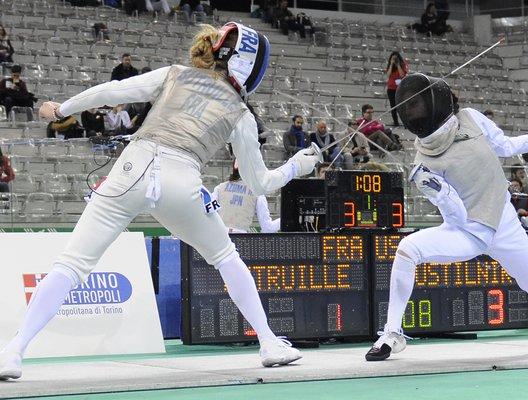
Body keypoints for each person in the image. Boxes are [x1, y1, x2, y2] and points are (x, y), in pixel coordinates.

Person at [0, 22, 320, 380]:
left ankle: (14, 351)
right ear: (250, 67)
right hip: (181, 184)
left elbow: (114, 90)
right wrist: (297, 165)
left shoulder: (175, 74)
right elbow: (260, 183)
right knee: (226, 257)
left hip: (130, 170)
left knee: (72, 264)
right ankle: (268, 342)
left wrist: (63, 110)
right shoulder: (242, 115)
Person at [365, 73, 528, 362]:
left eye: (419, 103)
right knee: (407, 250)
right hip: (465, 232)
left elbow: (505, 146)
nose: (415, 109)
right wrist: (442, 192)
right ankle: (391, 333)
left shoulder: (470, 118)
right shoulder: (423, 168)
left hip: (504, 222)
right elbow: (456, 215)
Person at [212, 159, 280, 233]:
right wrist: (288, 218)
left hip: (220, 239)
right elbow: (268, 228)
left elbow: (208, 214)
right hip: (240, 240)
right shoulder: (257, 193)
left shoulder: (219, 188)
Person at [385, 52, 409, 127]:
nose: (394, 60)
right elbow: (388, 75)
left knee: (402, 106)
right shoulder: (390, 65)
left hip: (400, 88)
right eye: (393, 58)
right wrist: (392, 64)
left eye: (396, 58)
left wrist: (398, 65)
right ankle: (396, 123)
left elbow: (402, 75)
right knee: (393, 107)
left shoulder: (402, 64)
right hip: (391, 88)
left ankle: (406, 123)